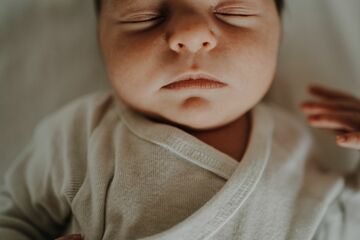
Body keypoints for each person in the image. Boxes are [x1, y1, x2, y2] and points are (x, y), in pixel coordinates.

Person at [1, 0, 359, 239]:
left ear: (278, 37)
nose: (191, 35)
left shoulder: (294, 144)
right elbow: (13, 218)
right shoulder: (82, 133)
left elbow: (344, 224)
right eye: (144, 16)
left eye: (232, 11)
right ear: (101, 43)